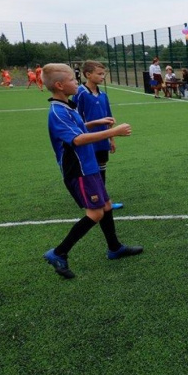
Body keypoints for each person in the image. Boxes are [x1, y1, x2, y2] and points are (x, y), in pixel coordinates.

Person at [42, 63, 142, 279]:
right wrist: (112, 132)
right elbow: (76, 139)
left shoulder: (67, 106)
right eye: (72, 80)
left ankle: (114, 248)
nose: (76, 83)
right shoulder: (57, 112)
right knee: (96, 213)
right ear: (59, 85)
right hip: (79, 171)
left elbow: (79, 128)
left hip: (89, 166)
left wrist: (97, 122)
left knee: (105, 206)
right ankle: (59, 252)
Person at [74, 60, 124, 211]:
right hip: (88, 140)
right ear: (88, 75)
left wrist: (111, 139)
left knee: (101, 170)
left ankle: (103, 200)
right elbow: (76, 119)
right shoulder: (80, 94)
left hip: (102, 140)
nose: (103, 77)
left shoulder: (103, 95)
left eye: (104, 74)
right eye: (99, 74)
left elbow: (109, 117)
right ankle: (92, 199)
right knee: (90, 171)